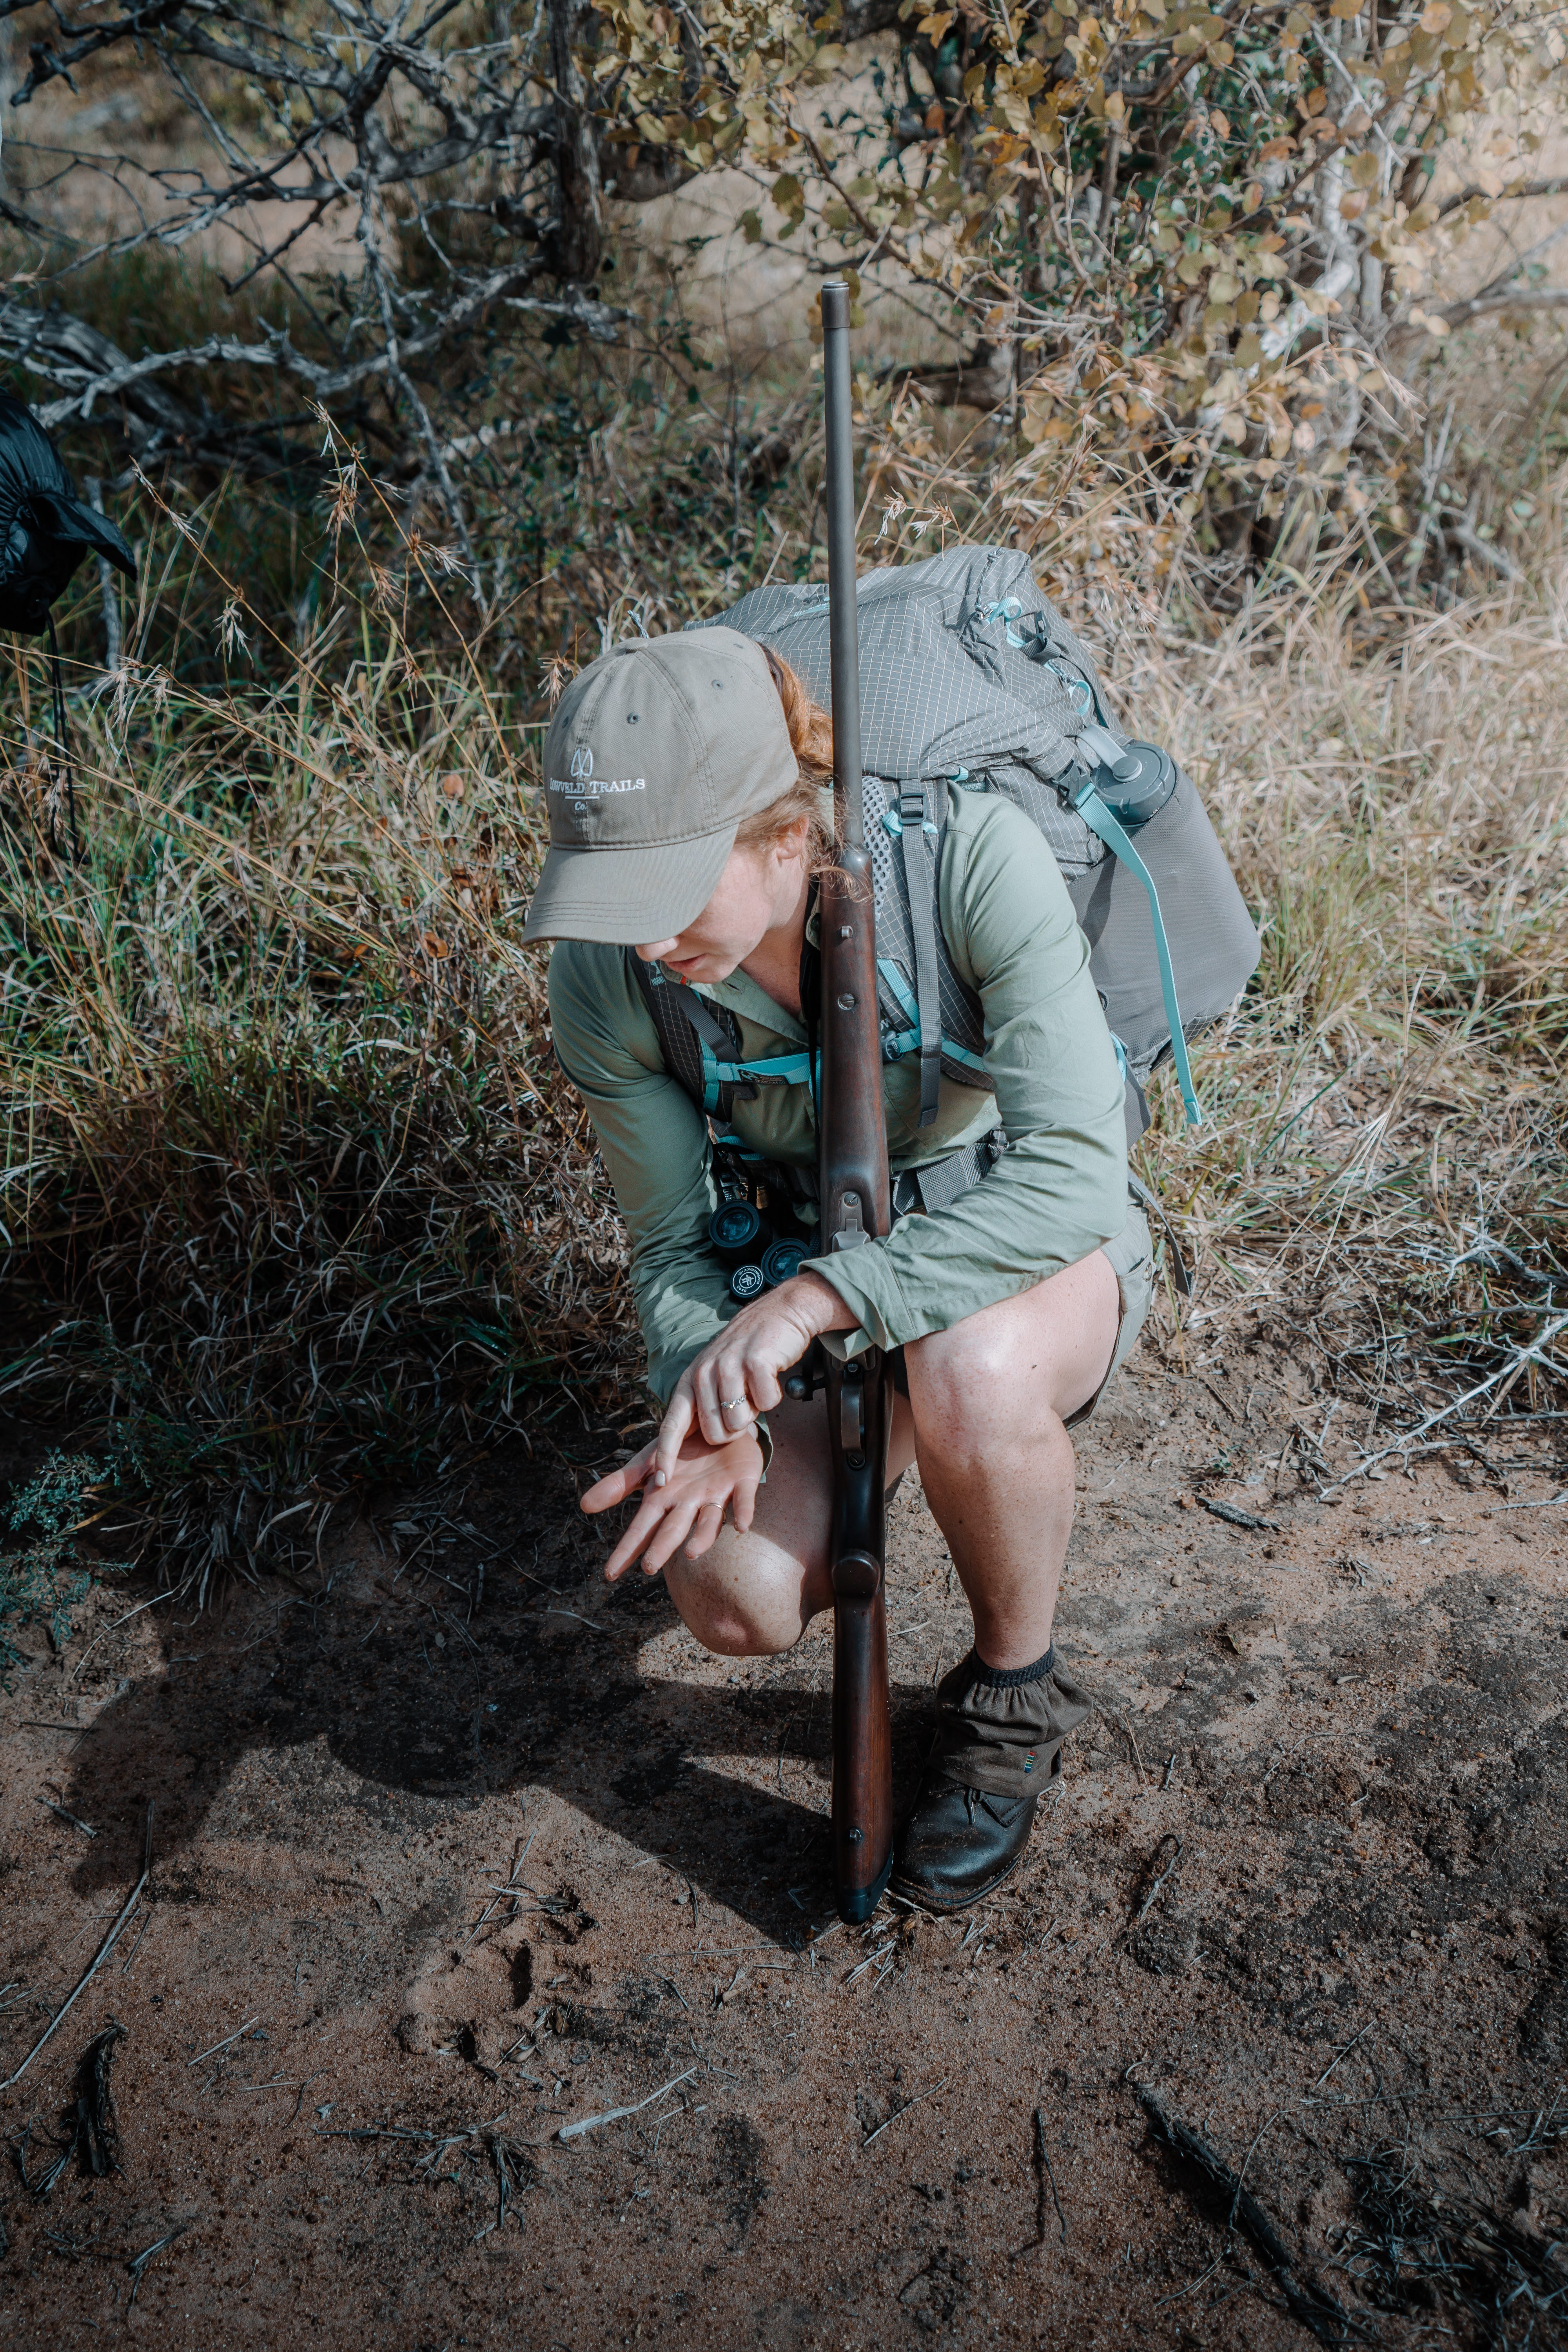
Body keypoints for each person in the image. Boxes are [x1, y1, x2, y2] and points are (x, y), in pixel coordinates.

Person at [523, 625, 1151, 1911]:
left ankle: (1013, 1701)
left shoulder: (967, 861)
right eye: (610, 898)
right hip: (804, 1280)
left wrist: (824, 1300)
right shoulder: (608, 981)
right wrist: (714, 1397)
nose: (640, 943)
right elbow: (671, 1243)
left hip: (1014, 1249)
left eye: (666, 891)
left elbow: (1075, 1178)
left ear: (779, 833)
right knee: (734, 1595)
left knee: (970, 1369)